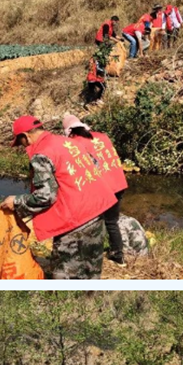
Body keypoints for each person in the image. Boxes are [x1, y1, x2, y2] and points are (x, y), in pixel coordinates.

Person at [1, 116, 117, 280]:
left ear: (26, 136)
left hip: (75, 219)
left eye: (20, 142)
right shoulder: (68, 142)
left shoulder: (41, 154)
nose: (22, 146)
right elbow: (95, 164)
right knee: (91, 270)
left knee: (63, 274)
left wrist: (16, 201)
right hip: (96, 211)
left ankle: (64, 304)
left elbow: (45, 196)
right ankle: (92, 302)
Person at [62, 114, 128, 266]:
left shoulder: (74, 143)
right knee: (112, 222)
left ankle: (89, 256)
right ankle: (119, 256)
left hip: (102, 187)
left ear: (69, 131)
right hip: (118, 183)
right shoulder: (101, 136)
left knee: (91, 222)